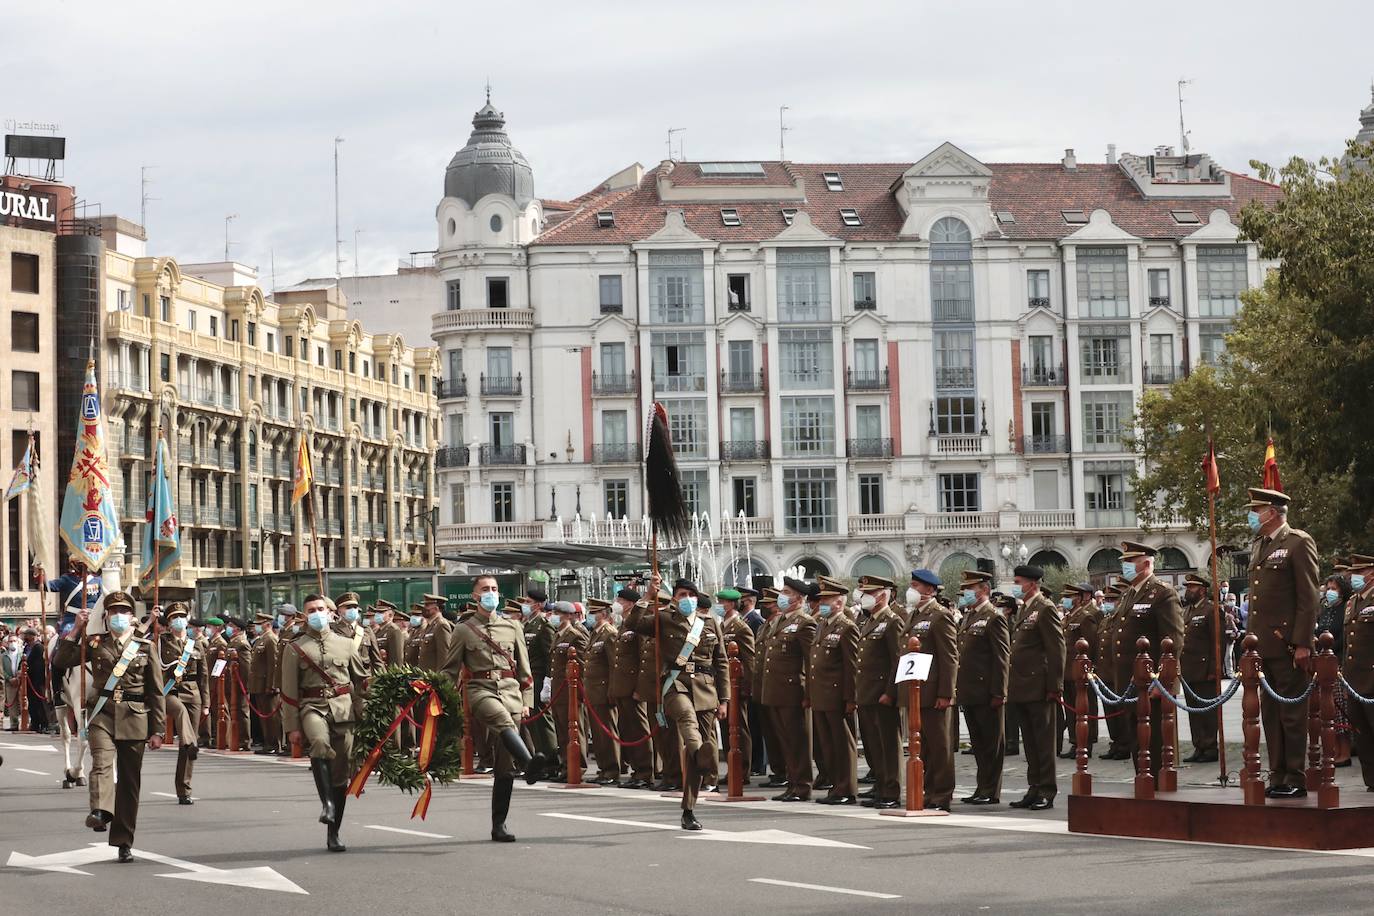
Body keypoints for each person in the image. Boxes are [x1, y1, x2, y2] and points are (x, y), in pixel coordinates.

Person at [53, 591, 166, 863]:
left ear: (131, 617)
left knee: (129, 782)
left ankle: (123, 841)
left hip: (135, 716)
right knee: (102, 763)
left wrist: (158, 730)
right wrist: (77, 629)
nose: (118, 616)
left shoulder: (145, 647)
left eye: (123, 612)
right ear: (105, 617)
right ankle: (101, 811)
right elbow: (61, 661)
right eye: (112, 611)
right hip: (102, 715)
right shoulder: (94, 643)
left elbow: (156, 691)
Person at [441, 575, 549, 841]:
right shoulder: (463, 629)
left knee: (504, 765)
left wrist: (526, 702)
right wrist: (435, 693)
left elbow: (525, 670)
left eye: (494, 589)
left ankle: (498, 825)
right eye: (485, 589)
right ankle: (529, 762)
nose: (491, 593)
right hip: (480, 690)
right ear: (475, 596)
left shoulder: (512, 627)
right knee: (500, 720)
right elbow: (450, 669)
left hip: (511, 692)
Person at [627, 577, 727, 830]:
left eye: (691, 595)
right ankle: (698, 752)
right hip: (675, 683)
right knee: (686, 718)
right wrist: (648, 596)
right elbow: (633, 623)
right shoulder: (663, 619)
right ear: (674, 598)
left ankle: (689, 810)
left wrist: (724, 699)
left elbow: (721, 662)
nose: (687, 599)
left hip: (705, 688)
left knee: (698, 751)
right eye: (682, 594)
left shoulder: (709, 623)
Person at [1245, 487, 1320, 799]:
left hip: (1288, 645)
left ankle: (1295, 776)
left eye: (1256, 509)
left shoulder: (1298, 542)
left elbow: (1309, 596)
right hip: (1264, 647)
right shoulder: (1260, 544)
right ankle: (1277, 774)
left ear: (1272, 512)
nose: (1252, 515)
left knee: (1292, 715)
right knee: (1271, 715)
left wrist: (1303, 642)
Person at [281, 594, 366, 852]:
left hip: (343, 709)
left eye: (321, 609)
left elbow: (361, 682)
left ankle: (334, 831)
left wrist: (367, 713)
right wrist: (292, 727)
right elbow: (288, 691)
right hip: (312, 707)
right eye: (311, 610)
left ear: (331, 613)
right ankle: (327, 804)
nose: (317, 613)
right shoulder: (295, 647)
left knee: (341, 773)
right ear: (304, 615)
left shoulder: (347, 644)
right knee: (318, 742)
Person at [1112, 542, 1185, 783]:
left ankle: (1156, 784)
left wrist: (1164, 679)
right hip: (1130, 681)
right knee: (1136, 735)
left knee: (1153, 737)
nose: (1126, 566)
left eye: (1130, 561)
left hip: (1152, 682)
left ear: (1146, 563)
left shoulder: (1162, 592)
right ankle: (1143, 781)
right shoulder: (1129, 594)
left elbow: (1172, 639)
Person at [1006, 564, 1064, 811]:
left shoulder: (1045, 609)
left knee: (1043, 742)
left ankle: (1047, 790)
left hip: (1039, 686)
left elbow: (1056, 649)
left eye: (1018, 582)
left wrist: (1055, 686)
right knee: (1029, 742)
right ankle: (1034, 786)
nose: (1015, 586)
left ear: (1032, 583)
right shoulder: (1024, 610)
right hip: (1022, 686)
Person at [906, 568, 959, 811]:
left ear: (929, 589)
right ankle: (927, 792)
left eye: (916, 585)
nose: (911, 589)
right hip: (918, 692)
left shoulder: (940, 615)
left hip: (934, 691)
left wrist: (946, 693)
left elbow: (949, 657)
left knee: (940, 747)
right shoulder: (914, 615)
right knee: (924, 746)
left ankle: (942, 794)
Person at [761, 576, 817, 802]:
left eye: (786, 592)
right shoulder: (780, 621)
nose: (781, 596)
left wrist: (808, 693)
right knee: (785, 740)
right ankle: (793, 783)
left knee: (797, 741)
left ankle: (802, 785)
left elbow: (809, 662)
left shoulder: (805, 622)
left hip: (793, 691)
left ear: (798, 598)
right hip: (776, 691)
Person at [958, 579, 1011, 805]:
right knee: (978, 744)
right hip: (970, 691)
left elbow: (1001, 658)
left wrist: (999, 692)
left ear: (984, 591)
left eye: (970, 589)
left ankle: (991, 789)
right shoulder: (969, 617)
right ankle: (982, 786)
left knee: (991, 744)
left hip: (987, 691)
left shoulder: (994, 617)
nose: (966, 593)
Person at [807, 577, 858, 805]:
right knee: (828, 745)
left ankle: (846, 788)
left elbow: (852, 667)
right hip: (821, 696)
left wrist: (850, 698)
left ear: (839, 603)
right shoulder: (822, 625)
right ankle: (836, 786)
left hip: (837, 696)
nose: (822, 603)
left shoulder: (847, 628)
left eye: (826, 599)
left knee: (842, 745)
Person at [853, 574, 902, 808]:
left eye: (870, 593)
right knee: (874, 746)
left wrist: (891, 692)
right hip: (866, 693)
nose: (865, 597)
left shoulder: (892, 622)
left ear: (883, 595)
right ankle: (881, 788)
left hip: (882, 694)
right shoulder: (869, 621)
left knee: (888, 746)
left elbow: (897, 661)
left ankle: (891, 791)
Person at [160, 602, 208, 803]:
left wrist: (206, 703)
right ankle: (190, 743)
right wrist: (152, 621)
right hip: (170, 691)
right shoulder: (161, 641)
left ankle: (184, 790)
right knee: (179, 713)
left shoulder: (196, 644)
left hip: (193, 693)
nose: (178, 620)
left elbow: (203, 675)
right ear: (169, 622)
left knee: (188, 744)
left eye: (181, 616)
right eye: (174, 617)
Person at [609, 586, 653, 789]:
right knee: (628, 730)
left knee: (639, 730)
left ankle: (645, 772)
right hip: (623, 688)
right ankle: (637, 770)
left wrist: (641, 689)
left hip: (634, 688)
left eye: (620, 600)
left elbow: (644, 658)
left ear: (630, 604)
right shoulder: (624, 624)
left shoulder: (638, 624)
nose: (616, 603)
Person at [1179, 573, 1221, 764]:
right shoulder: (1186, 611)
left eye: (1192, 587)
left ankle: (1210, 747)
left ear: (1202, 590)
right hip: (1189, 670)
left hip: (1205, 670)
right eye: (1187, 587)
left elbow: (1217, 642)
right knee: (1194, 711)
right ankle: (1199, 746)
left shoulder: (1211, 610)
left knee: (1207, 711)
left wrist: (1214, 668)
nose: (1188, 590)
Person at [1058, 583, 1103, 760]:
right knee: (1071, 709)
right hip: (1068, 670)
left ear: (1079, 597)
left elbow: (1091, 644)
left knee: (1084, 707)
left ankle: (1086, 742)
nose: (1066, 600)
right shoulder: (1069, 617)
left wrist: (1089, 668)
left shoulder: (1085, 617)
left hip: (1080, 670)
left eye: (1070, 596)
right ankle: (1075, 741)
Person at [717, 587, 757, 785]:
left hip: (737, 685)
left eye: (722, 602)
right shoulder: (723, 626)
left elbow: (750, 660)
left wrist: (747, 686)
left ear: (732, 604)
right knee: (727, 728)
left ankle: (743, 770)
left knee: (740, 728)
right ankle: (733, 768)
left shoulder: (741, 628)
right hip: (725, 685)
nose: (720, 605)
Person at [1341, 555, 1374, 788]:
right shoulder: (1353, 601)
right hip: (1354, 680)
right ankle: (1371, 780)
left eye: (1359, 572)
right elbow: (1347, 643)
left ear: (1371, 573)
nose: (1354, 577)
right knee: (1362, 733)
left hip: (1372, 677)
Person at [547, 600, 589, 781]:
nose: (554, 616)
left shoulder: (575, 635)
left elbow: (581, 665)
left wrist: (580, 692)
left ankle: (577, 767)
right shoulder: (558, 635)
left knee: (574, 730)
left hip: (571, 691)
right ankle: (566, 766)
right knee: (562, 731)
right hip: (558, 690)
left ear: (569, 616)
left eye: (558, 613)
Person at [582, 597, 620, 784]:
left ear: (603, 615)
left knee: (607, 732)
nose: (590, 616)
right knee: (598, 734)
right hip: (593, 692)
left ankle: (612, 770)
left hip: (604, 691)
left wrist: (612, 691)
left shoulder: (609, 633)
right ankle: (604, 768)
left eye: (593, 613)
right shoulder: (595, 634)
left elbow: (614, 665)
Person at [519, 589, 559, 763]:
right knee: (533, 722)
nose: (525, 605)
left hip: (539, 677)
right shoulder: (529, 624)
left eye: (528, 602)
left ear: (538, 605)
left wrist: (547, 681)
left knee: (542, 721)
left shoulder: (544, 625)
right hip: (529, 678)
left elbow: (549, 655)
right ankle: (540, 757)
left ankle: (551, 760)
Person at [1317, 571, 1351, 767]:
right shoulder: (1327, 610)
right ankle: (1335, 750)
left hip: (1337, 662)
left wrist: (1329, 650)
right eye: (1328, 588)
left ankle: (1345, 752)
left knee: (1340, 710)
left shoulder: (1345, 609)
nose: (1329, 592)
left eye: (1333, 589)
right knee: (1328, 712)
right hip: (1324, 664)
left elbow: (1344, 637)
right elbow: (1320, 631)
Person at [753, 588, 786, 787]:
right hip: (764, 686)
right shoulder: (765, 626)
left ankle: (786, 772)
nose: (764, 607)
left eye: (768, 604)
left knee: (782, 734)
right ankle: (779, 770)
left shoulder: (781, 625)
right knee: (771, 733)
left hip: (780, 687)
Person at [249, 609, 282, 755]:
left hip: (267, 685)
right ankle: (268, 743)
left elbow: (274, 664)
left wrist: (272, 685)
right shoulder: (261, 639)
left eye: (258, 624)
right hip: (258, 685)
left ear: (267, 624)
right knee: (264, 716)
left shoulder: (271, 639)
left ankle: (275, 743)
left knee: (272, 717)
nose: (255, 627)